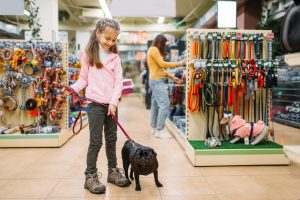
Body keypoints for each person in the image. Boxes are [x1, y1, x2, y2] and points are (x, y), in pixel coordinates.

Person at [64, 18, 130, 194]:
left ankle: (113, 172)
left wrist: (114, 103)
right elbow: (83, 78)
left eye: (114, 39)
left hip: (112, 105)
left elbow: (118, 83)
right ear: (98, 33)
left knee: (112, 139)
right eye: (107, 38)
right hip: (95, 105)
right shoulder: (87, 55)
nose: (110, 42)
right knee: (95, 141)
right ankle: (90, 175)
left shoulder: (115, 58)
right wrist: (73, 88)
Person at [147, 34, 185, 139]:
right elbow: (163, 64)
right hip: (157, 81)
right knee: (165, 105)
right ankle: (160, 130)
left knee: (155, 105)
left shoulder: (153, 50)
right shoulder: (154, 50)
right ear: (161, 42)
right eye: (164, 44)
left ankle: (154, 127)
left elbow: (161, 68)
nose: (165, 46)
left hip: (155, 80)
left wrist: (173, 77)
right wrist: (179, 63)